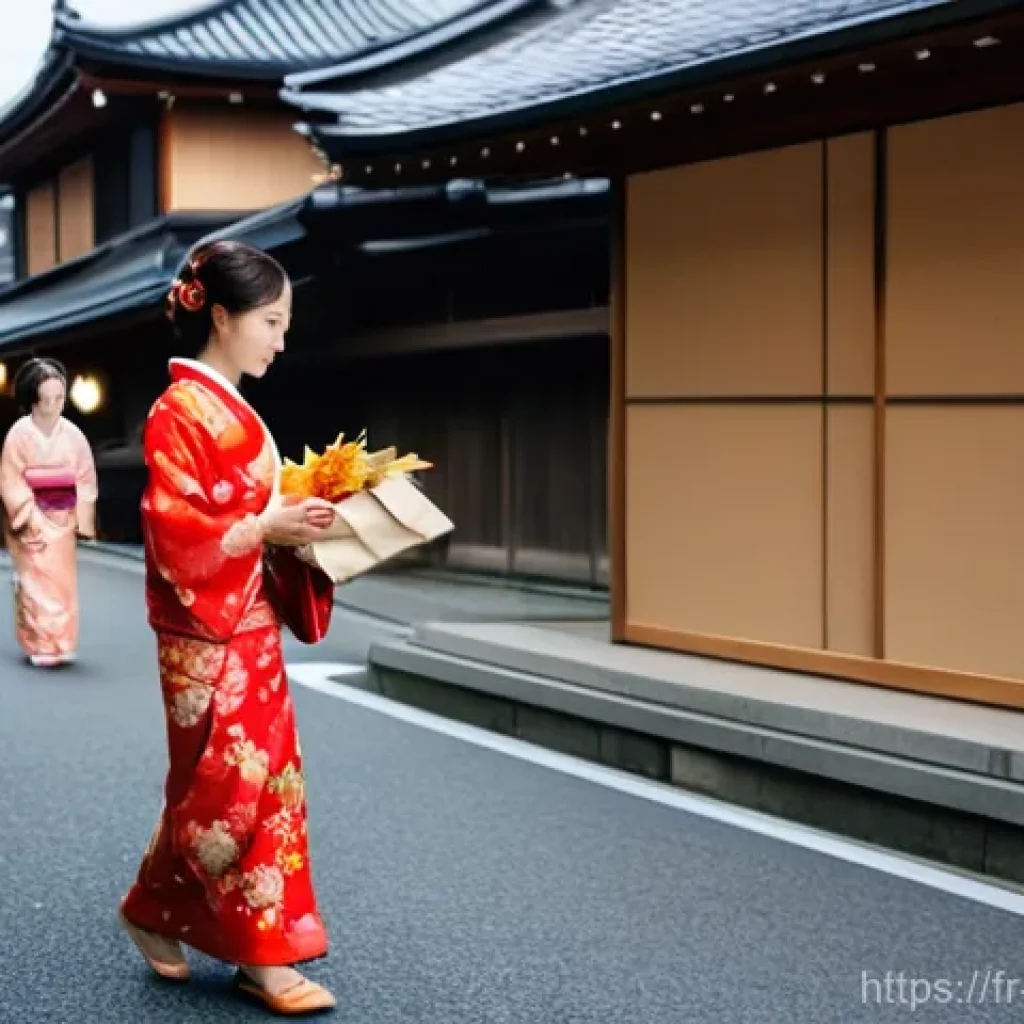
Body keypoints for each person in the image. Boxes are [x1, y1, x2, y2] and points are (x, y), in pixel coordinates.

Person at [118, 240, 339, 1015]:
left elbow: (239, 513)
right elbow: (173, 526)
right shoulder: (179, 411)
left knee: (258, 782)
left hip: (248, 618)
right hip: (204, 630)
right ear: (220, 316)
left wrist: (296, 524)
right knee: (231, 786)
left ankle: (157, 908)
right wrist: (263, 528)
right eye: (271, 322)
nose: (281, 340)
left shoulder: (227, 405)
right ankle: (262, 955)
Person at [0, 357, 98, 667]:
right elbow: (11, 479)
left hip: (63, 518)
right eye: (48, 399)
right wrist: (28, 515)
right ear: (33, 399)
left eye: (60, 398)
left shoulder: (73, 435)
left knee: (62, 585)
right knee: (34, 585)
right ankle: (40, 643)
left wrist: (80, 517)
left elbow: (85, 477)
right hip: (32, 517)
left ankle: (63, 642)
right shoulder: (19, 435)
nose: (55, 406)